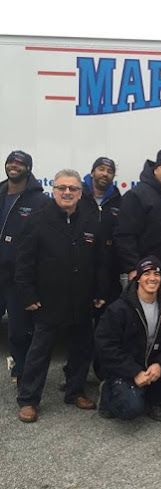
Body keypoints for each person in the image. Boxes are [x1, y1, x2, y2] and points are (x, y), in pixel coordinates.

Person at [15, 169, 108, 423]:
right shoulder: (37, 219)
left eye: (73, 189)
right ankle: (29, 400)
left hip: (82, 298)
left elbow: (101, 261)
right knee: (40, 351)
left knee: (81, 349)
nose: (67, 193)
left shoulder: (91, 220)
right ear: (53, 190)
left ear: (80, 193)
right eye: (62, 188)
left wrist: (101, 291)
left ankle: (75, 391)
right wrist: (27, 294)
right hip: (47, 300)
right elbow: (23, 261)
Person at [95, 255, 161, 422]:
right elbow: (106, 346)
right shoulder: (118, 309)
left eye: (157, 274)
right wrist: (134, 372)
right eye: (147, 274)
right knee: (130, 411)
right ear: (138, 279)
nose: (152, 278)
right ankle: (108, 394)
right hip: (125, 369)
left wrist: (160, 364)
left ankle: (153, 402)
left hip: (152, 365)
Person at [114, 149, 161, 301]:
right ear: (155, 169)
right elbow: (124, 235)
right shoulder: (137, 195)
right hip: (147, 275)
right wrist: (133, 267)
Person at [0, 150, 49, 382]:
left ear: (28, 168)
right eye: (11, 161)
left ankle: (22, 375)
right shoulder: (0, 192)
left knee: (19, 332)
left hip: (16, 278)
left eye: (20, 163)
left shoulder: (39, 200)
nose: (14, 166)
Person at [80, 157, 122, 308]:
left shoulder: (119, 200)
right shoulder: (78, 196)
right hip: (80, 268)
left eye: (110, 171)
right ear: (92, 172)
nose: (105, 174)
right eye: (101, 169)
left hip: (109, 271)